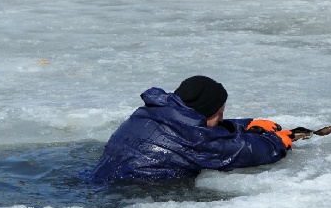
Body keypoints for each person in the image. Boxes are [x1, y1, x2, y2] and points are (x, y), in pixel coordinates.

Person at [92, 75, 293, 181]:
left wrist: (245, 123)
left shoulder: (150, 112)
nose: (222, 117)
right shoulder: (194, 139)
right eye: (220, 112)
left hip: (100, 175)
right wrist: (276, 142)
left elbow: (201, 128)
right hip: (133, 192)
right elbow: (244, 151)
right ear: (206, 111)